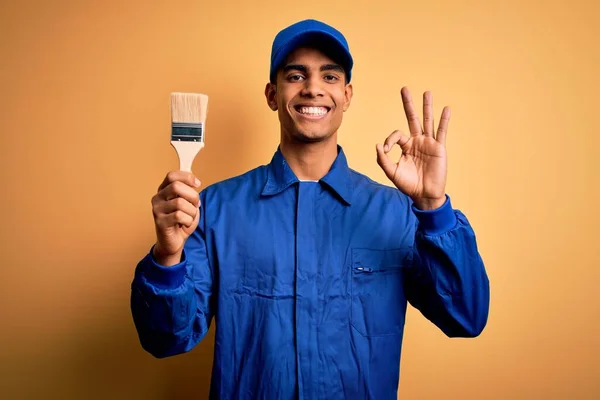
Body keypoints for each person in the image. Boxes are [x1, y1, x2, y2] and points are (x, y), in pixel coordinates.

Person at [130, 18, 490, 400]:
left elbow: (466, 317)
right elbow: (165, 338)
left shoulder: (398, 214)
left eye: (329, 77)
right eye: (296, 75)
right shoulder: (214, 210)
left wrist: (433, 206)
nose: (313, 88)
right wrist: (168, 255)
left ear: (347, 95)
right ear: (272, 94)